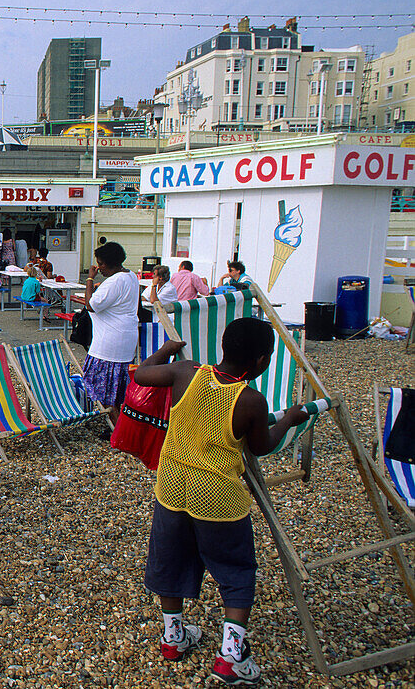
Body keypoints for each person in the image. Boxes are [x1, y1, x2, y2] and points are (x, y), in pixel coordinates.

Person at [134, 320, 310, 686]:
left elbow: (143, 376)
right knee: (235, 569)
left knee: (171, 560)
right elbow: (262, 446)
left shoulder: (186, 372)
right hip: (218, 499)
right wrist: (291, 420)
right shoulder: (250, 401)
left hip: (173, 488)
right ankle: (231, 657)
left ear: (224, 347)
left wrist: (167, 350)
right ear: (261, 361)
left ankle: (173, 638)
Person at [81, 241, 140, 425]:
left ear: (108, 263)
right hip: (126, 339)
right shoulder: (130, 276)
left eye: (100, 264)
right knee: (118, 391)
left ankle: (119, 431)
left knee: (104, 391)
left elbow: (90, 305)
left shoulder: (114, 282)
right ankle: (122, 426)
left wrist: (89, 280)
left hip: (109, 344)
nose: (98, 267)